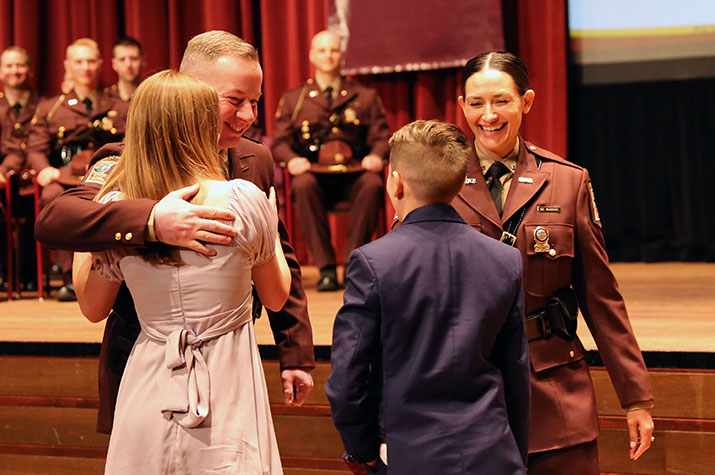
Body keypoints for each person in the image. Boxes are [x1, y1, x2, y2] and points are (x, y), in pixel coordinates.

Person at [34, 30, 315, 434]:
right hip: (141, 353)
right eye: (235, 101)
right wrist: (151, 221)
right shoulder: (123, 158)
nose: (250, 115)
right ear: (190, 93)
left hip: (227, 352)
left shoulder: (255, 157)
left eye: (255, 101)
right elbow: (56, 218)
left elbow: (278, 255)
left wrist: (296, 355)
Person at [73, 69, 287, 473]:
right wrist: (270, 225)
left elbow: (91, 305)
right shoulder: (243, 199)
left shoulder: (123, 208)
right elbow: (276, 297)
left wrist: (98, 222)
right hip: (228, 380)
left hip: (148, 379)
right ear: (201, 127)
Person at [452, 51, 655, 474]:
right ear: (462, 106)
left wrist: (635, 397)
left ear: (526, 102)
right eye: (476, 103)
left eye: (501, 101)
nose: (488, 115)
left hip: (554, 392)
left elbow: (601, 296)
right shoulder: (438, 182)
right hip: (466, 391)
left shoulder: (567, 181)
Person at [325, 120, 530, 474]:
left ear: (396, 182)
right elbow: (517, 374)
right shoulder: (506, 259)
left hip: (409, 458)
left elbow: (347, 378)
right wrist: (516, 454)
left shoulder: (372, 262)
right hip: (494, 454)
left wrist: (361, 451)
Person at [272, 30, 390, 291]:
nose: (329, 55)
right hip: (315, 174)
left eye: (334, 50)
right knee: (302, 185)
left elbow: (382, 138)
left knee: (372, 184)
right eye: (322, 50)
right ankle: (325, 267)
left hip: (355, 173)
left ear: (342, 55)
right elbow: (280, 143)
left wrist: (375, 156)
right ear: (312, 56)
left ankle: (352, 264)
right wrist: (291, 160)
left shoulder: (364, 96)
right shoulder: (295, 98)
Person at [26, 38, 128, 300]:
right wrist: (44, 169)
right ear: (67, 66)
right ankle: (69, 275)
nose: (85, 67)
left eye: (91, 61)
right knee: (51, 196)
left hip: (110, 175)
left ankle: (114, 272)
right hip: (65, 174)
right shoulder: (51, 108)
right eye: (79, 62)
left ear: (101, 64)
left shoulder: (119, 104)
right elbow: (35, 148)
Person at [0, 46, 40, 292]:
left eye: (20, 65)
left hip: (33, 181)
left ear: (29, 69)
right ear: (1, 71)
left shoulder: (44, 104)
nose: (15, 71)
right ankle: (3, 273)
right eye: (9, 66)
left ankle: (32, 276)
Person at [105, 37, 143, 102]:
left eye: (133, 59)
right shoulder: (105, 99)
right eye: (122, 59)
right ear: (114, 64)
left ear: (142, 61)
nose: (128, 65)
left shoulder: (152, 96)